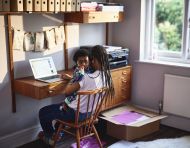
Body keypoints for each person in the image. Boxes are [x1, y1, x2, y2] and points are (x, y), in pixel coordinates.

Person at [38, 45, 114, 145]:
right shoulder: (106, 76)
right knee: (62, 106)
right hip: (90, 113)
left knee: (43, 112)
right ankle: (56, 133)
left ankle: (51, 137)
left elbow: (67, 91)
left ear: (93, 60)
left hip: (76, 114)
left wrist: (73, 79)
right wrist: (75, 78)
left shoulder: (86, 77)